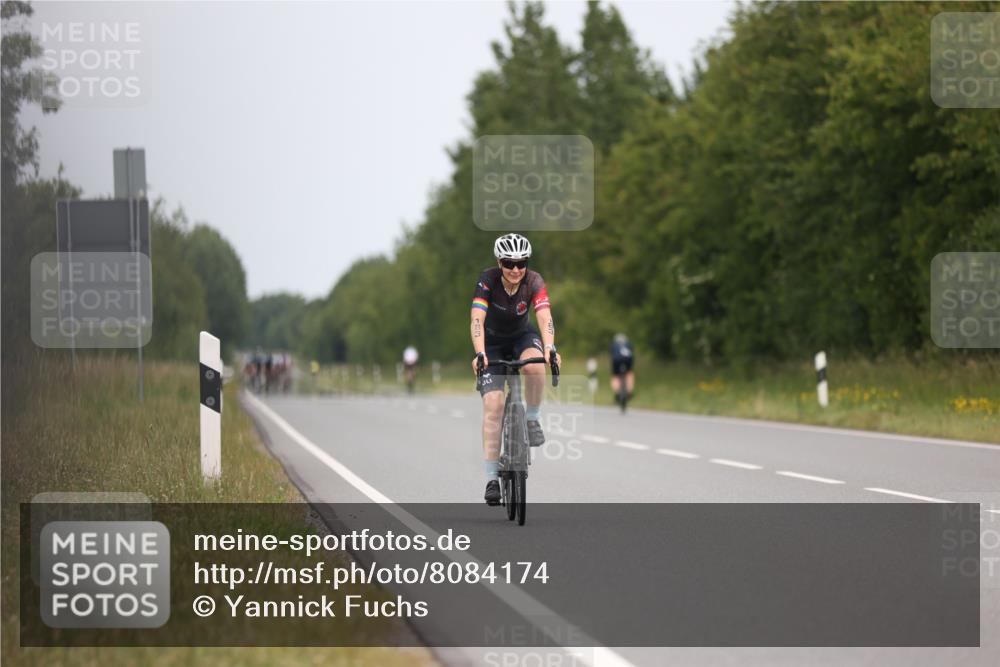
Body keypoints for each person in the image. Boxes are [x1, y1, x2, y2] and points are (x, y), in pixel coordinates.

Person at [470, 233, 560, 505]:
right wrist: (480, 352)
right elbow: (476, 318)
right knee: (494, 405)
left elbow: (544, 317)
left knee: (535, 368)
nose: (515, 269)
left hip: (523, 336)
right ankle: (491, 479)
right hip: (492, 342)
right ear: (500, 262)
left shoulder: (533, 281)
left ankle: (531, 418)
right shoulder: (488, 280)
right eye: (509, 263)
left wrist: (550, 347)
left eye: (522, 263)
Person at [610, 333, 635, 407]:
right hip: (628, 360)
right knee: (629, 374)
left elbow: (611, 354)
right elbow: (632, 352)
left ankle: (617, 392)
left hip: (616, 361)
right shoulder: (628, 343)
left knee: (615, 376)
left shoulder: (614, 344)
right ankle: (629, 391)